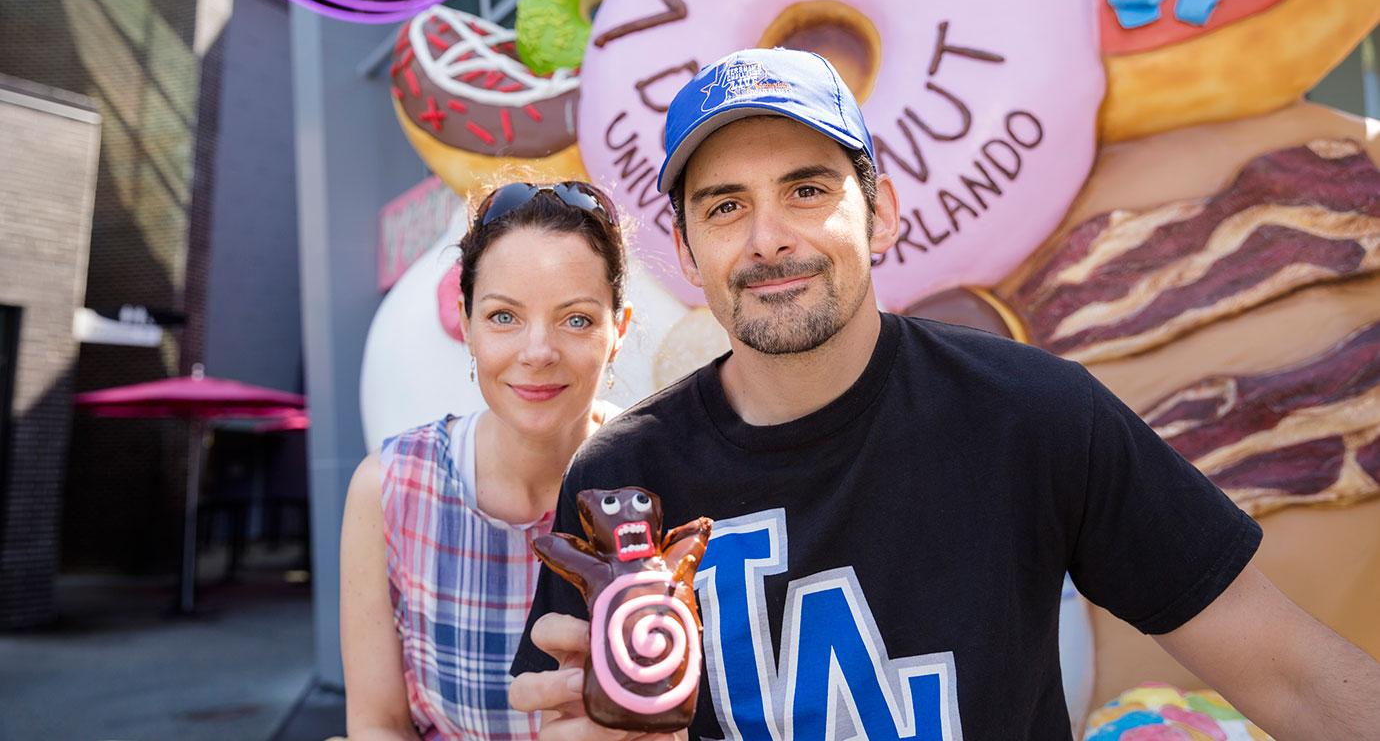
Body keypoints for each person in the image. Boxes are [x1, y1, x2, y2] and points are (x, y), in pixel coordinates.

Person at [506, 48, 1380, 740]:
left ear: (881, 213)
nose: (769, 239)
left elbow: (1291, 674)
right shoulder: (624, 475)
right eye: (726, 206)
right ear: (689, 255)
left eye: (807, 190)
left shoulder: (1033, 415)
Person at [341, 181, 631, 741]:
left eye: (576, 319)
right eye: (504, 317)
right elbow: (377, 726)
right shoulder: (389, 488)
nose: (538, 351)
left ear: (616, 330)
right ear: (466, 322)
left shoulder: (662, 478)